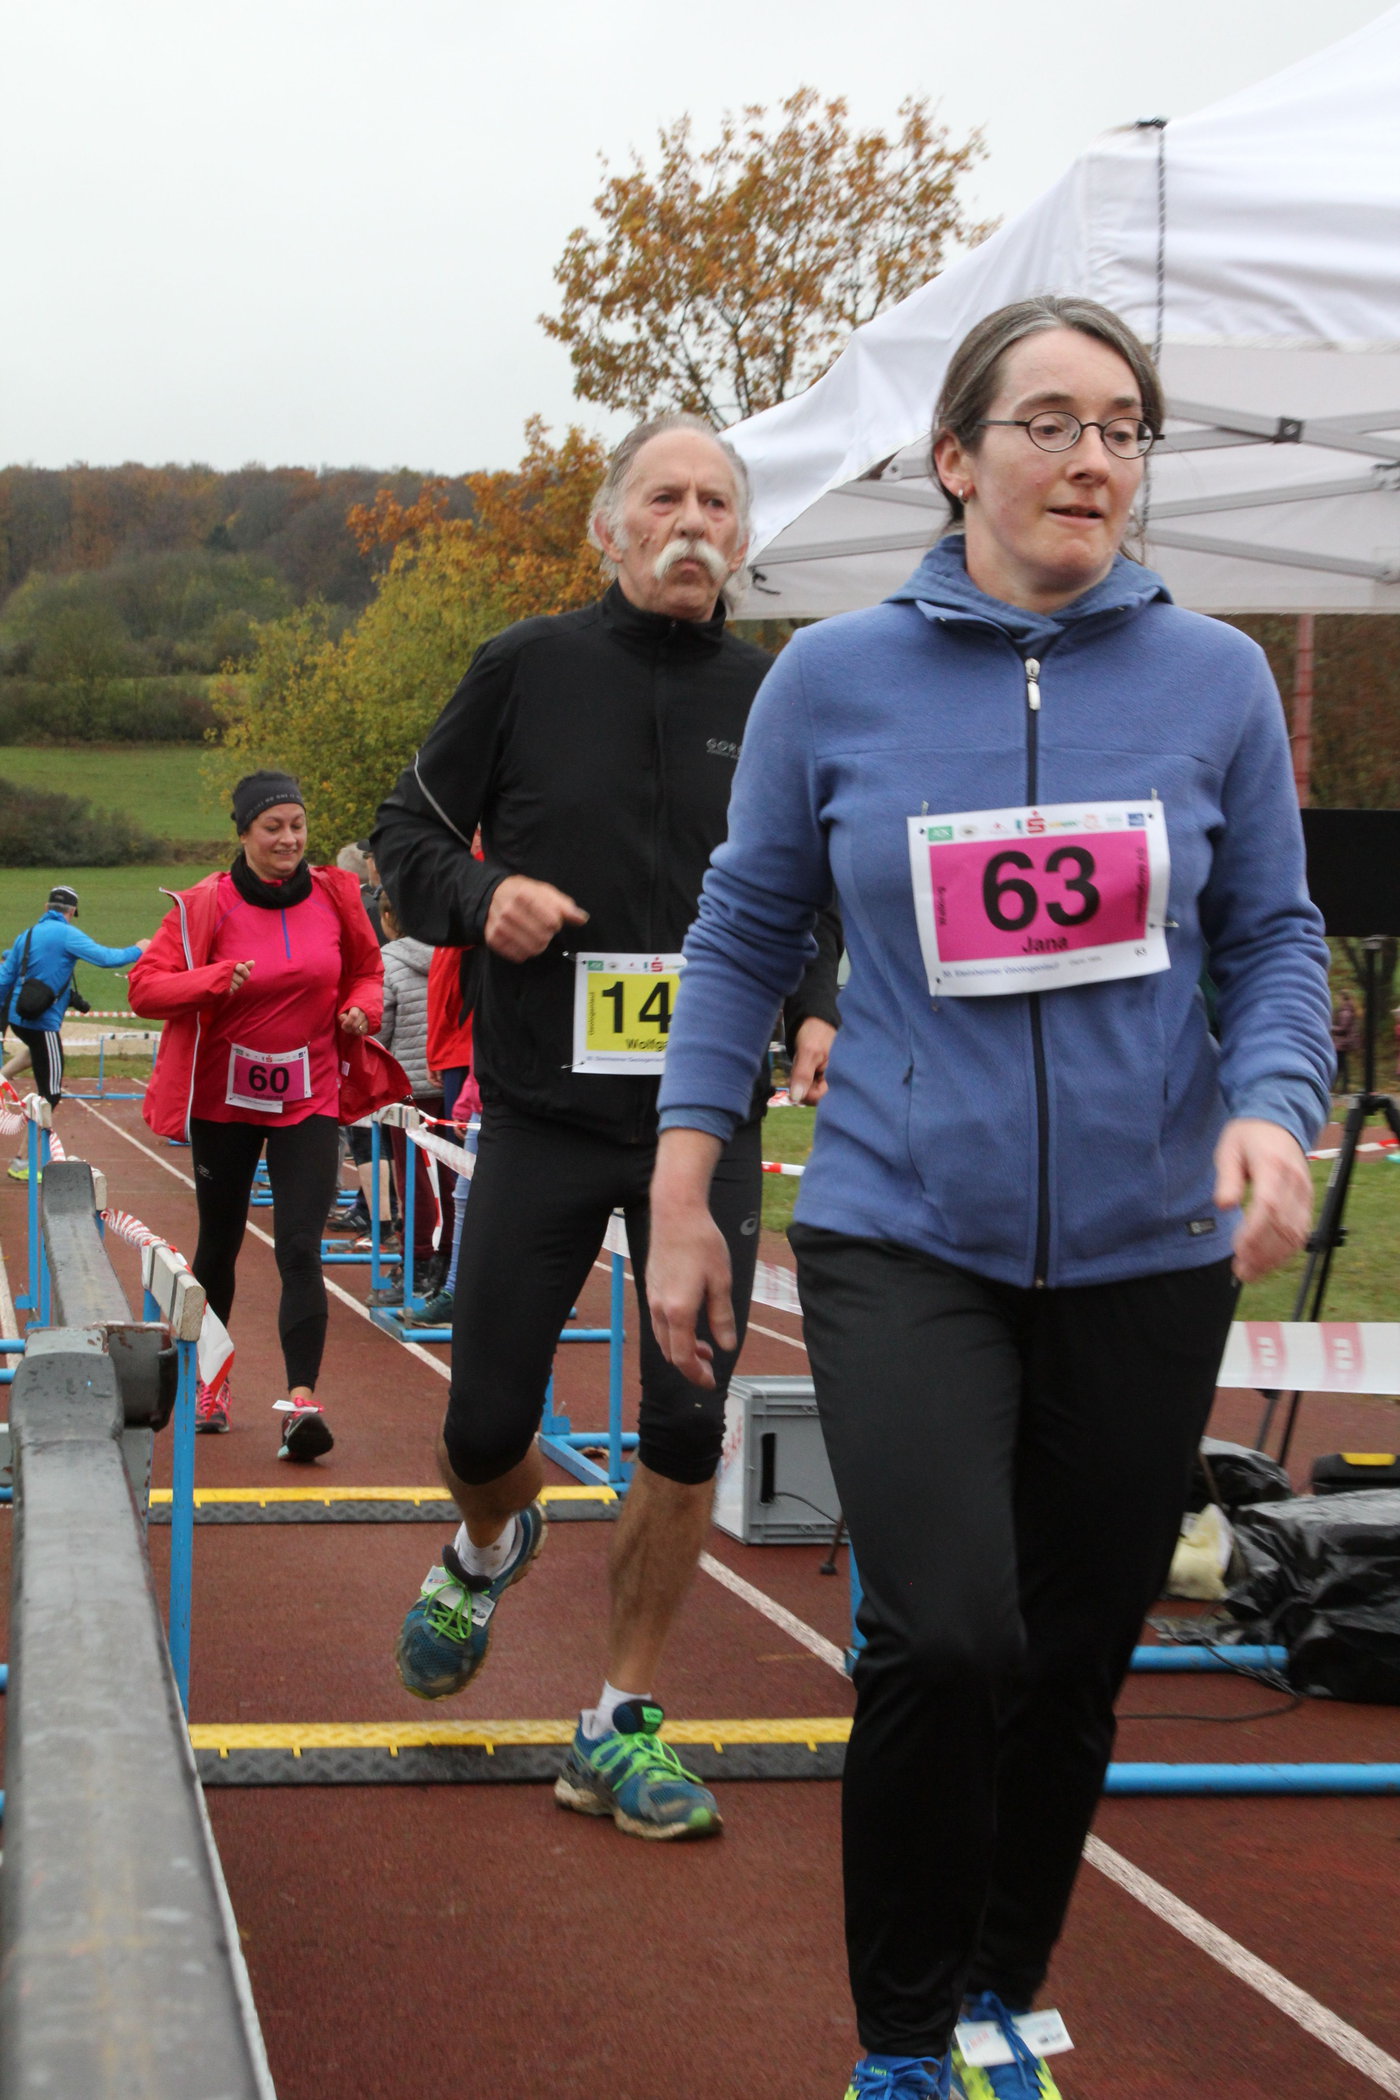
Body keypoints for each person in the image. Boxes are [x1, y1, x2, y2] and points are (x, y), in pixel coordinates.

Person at [644, 297, 1333, 2096]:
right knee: (946, 1633)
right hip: (903, 1225)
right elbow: (744, 933)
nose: (1093, 457)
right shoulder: (831, 680)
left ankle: (996, 1991)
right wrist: (688, 1176)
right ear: (955, 458)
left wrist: (1273, 1109)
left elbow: (1272, 937)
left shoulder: (1215, 682)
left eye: (1123, 427)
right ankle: (897, 2039)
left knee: (1078, 1650)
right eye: (1050, 422)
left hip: (1147, 1242)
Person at [374, 412, 840, 1840]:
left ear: (742, 538)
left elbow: (824, 874)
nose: (691, 522)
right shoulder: (525, 667)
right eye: (663, 497)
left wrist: (818, 1002)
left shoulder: (778, 692)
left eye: (716, 503)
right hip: (544, 1111)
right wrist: (480, 901)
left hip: (707, 1119)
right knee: (483, 1422)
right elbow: (403, 837)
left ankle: (619, 1721)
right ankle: (489, 1537)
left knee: (686, 1426)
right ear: (608, 527)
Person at [130, 772, 389, 1458]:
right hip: (225, 1100)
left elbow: (368, 971)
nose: (288, 839)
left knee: (300, 1246)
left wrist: (363, 1008)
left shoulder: (335, 895)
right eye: (273, 827)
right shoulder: (206, 904)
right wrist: (213, 979)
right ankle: (209, 1383)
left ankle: (302, 1403)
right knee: (220, 1242)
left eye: (297, 825)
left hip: (309, 1095)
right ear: (244, 833)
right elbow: (144, 989)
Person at [0, 885, 149, 1166]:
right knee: (50, 1095)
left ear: (46, 908)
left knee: (36, 1055)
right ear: (71, 911)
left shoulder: (26, 935)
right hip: (42, 1024)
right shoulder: (67, 934)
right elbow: (107, 959)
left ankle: (2, 1077)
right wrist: (138, 950)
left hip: (20, 1019)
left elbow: (5, 978)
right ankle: (22, 1161)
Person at [1330, 991, 1360, 1097]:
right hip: (1344, 1042)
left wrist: (1331, 1028)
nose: (1337, 1000)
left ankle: (1338, 1088)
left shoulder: (1345, 1012)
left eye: (1338, 998)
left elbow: (1343, 1029)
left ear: (1342, 998)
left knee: (1340, 1065)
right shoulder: (1348, 1010)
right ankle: (1342, 1088)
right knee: (1342, 1066)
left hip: (1342, 1042)